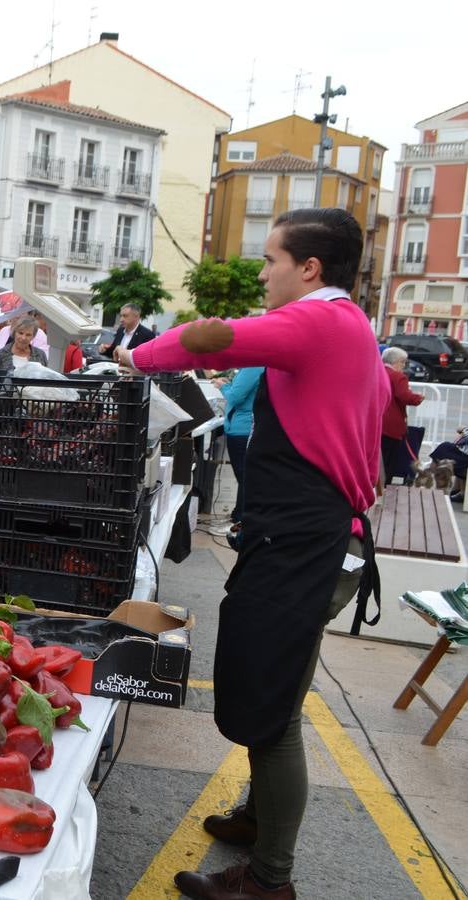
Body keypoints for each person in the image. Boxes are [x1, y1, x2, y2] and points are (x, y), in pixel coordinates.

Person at [115, 208, 385, 900]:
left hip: (302, 546)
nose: (263, 273)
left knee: (272, 718)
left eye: (270, 260)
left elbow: (212, 340)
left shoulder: (320, 320)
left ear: (311, 268)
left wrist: (134, 355)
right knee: (279, 692)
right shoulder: (356, 329)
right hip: (323, 538)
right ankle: (258, 819)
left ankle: (270, 880)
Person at [215, 366, 264, 537]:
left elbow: (235, 397)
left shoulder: (252, 367)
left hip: (241, 429)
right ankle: (237, 517)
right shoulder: (253, 366)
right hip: (241, 427)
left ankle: (238, 522)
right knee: (243, 477)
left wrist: (223, 386)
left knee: (244, 477)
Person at [380, 346, 424, 485]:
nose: (404, 366)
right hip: (391, 425)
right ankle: (383, 488)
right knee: (389, 461)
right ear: (396, 361)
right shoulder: (398, 376)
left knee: (377, 458)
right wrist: (418, 398)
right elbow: (404, 396)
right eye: (403, 362)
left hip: (375, 422)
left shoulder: (378, 372)